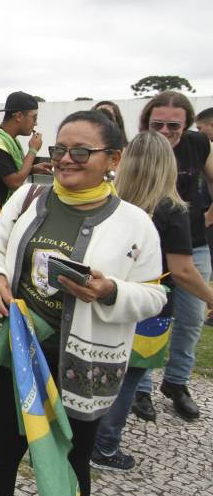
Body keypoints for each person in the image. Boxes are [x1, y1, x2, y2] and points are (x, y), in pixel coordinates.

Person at [0, 111, 165, 496]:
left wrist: (109, 292)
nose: (66, 159)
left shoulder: (136, 224)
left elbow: (155, 296)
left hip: (83, 368)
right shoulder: (28, 198)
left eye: (81, 151)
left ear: (113, 159)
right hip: (16, 354)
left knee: (73, 461)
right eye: (60, 149)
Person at [90, 130, 213, 471]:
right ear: (166, 166)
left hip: (106, 300)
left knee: (98, 370)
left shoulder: (108, 200)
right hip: (149, 308)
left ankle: (82, 435)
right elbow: (183, 270)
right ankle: (104, 447)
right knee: (127, 379)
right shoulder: (172, 209)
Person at [131, 91, 213, 421]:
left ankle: (177, 382)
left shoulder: (198, 145)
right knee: (149, 318)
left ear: (187, 124)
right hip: (152, 246)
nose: (166, 131)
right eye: (158, 124)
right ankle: (141, 386)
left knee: (192, 317)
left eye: (174, 125)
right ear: (146, 123)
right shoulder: (143, 148)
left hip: (192, 240)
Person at [0, 91, 52, 238]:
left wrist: (32, 169)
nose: (36, 123)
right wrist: (33, 150)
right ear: (18, 116)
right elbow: (15, 182)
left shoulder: (8, 140)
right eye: (34, 117)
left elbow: (6, 172)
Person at [192, 107, 213, 328]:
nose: (198, 132)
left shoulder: (204, 148)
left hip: (203, 227)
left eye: (200, 128)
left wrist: (209, 216)